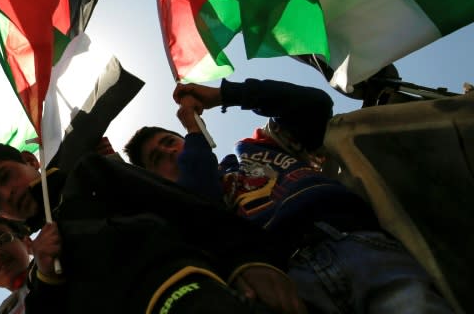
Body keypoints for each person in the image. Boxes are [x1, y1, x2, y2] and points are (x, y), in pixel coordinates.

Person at [125, 77, 453, 314]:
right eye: (157, 158)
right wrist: (194, 137)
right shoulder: (182, 209)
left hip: (356, 245)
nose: (168, 152)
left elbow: (312, 105)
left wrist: (224, 94)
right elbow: (200, 194)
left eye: (170, 141)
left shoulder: (256, 149)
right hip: (284, 283)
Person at [0, 142, 307, 314]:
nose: (8, 195)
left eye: (6, 178)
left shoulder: (89, 175)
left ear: (30, 161)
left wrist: (247, 260)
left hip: (182, 296)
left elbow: (187, 210)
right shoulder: (40, 273)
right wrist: (48, 275)